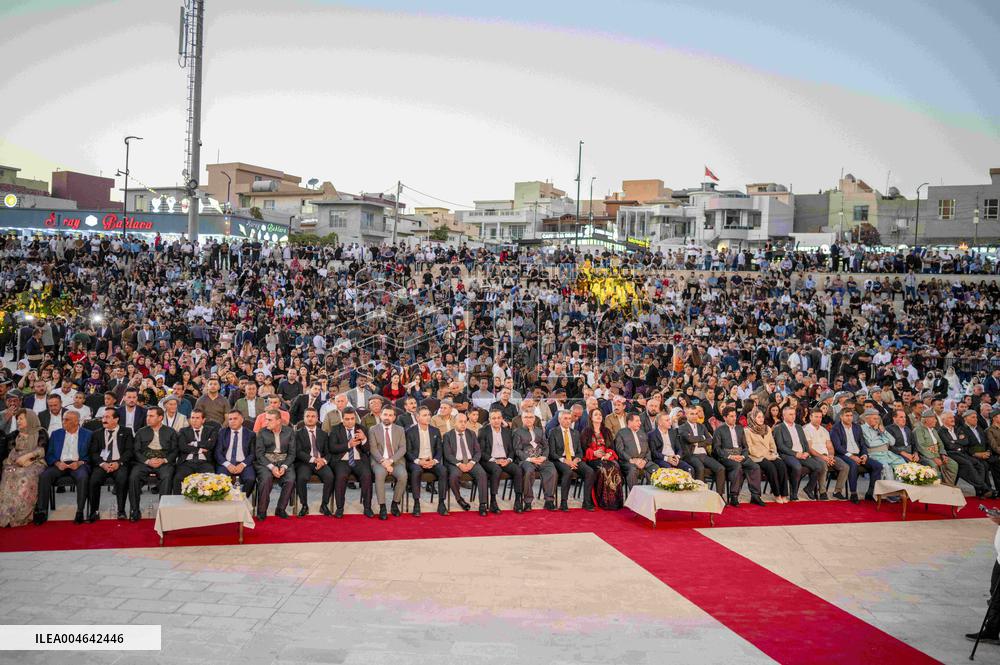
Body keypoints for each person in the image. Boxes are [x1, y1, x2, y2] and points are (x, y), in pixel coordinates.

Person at [35, 410, 92, 525]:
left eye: (66, 420)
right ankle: (42, 511)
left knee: (83, 477)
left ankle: (80, 511)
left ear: (76, 422)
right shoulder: (56, 434)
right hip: (59, 463)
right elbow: (49, 454)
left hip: (78, 464)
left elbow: (92, 455)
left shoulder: (88, 434)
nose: (63, 422)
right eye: (63, 419)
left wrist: (80, 463)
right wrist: (56, 463)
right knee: (44, 476)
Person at [128, 406, 179, 521]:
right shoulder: (141, 432)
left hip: (164, 462)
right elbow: (136, 451)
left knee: (167, 476)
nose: (148, 418)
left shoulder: (171, 432)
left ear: (160, 417)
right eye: (147, 416)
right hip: (145, 462)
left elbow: (175, 451)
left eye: (151, 416)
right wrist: (147, 461)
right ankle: (134, 510)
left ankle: (163, 511)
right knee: (134, 476)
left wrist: (164, 460)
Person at [0, 410, 47, 527]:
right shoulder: (15, 434)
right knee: (8, 473)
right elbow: (11, 451)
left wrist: (27, 458)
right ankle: (6, 514)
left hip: (35, 462)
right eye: (17, 419)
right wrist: (17, 461)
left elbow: (41, 450)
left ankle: (20, 514)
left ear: (30, 419)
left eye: (21, 419)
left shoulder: (40, 432)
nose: (18, 421)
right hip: (16, 462)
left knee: (24, 477)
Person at [712, 407, 765, 506]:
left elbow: (745, 446)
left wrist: (743, 456)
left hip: (740, 455)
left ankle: (755, 495)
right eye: (731, 416)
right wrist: (730, 456)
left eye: (735, 416)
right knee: (737, 467)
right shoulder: (719, 430)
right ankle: (734, 496)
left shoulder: (739, 428)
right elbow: (716, 449)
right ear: (724, 417)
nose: (734, 418)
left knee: (755, 467)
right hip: (727, 457)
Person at [87, 409, 133, 521]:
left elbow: (129, 451)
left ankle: (121, 511)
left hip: (119, 463)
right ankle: (94, 511)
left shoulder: (126, 431)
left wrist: (119, 463)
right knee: (93, 480)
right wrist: (102, 464)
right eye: (103, 417)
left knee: (122, 479)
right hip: (102, 464)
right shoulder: (97, 433)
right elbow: (93, 452)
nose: (104, 420)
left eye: (107, 417)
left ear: (116, 419)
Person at [831, 408, 884, 502]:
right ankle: (853, 493)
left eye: (851, 416)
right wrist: (851, 456)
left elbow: (862, 443)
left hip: (858, 454)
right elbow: (838, 447)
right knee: (853, 464)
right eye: (846, 416)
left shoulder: (857, 427)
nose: (849, 418)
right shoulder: (836, 428)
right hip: (844, 454)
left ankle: (870, 493)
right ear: (841, 417)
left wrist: (864, 455)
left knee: (878, 466)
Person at [773, 405, 826, 501]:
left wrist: (806, 452)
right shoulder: (779, 428)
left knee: (818, 466)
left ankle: (808, 489)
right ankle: (794, 493)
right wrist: (795, 454)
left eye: (794, 414)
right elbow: (780, 446)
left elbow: (805, 442)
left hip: (802, 454)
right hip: (788, 455)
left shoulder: (798, 427)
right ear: (784, 416)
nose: (793, 416)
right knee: (797, 467)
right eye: (790, 414)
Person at [547, 409, 596, 512]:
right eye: (565, 418)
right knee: (568, 472)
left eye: (569, 418)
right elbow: (552, 453)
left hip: (574, 460)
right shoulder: (553, 432)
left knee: (590, 472)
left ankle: (586, 502)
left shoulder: (575, 433)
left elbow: (579, 452)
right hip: (560, 460)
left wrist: (576, 460)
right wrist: (565, 461)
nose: (568, 421)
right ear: (559, 419)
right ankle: (564, 502)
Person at [329, 408, 374, 518]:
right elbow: (332, 448)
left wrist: (364, 440)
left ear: (355, 418)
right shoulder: (335, 429)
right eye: (347, 419)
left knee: (367, 475)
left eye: (352, 419)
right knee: (341, 476)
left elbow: (367, 450)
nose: (350, 421)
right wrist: (348, 445)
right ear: (342, 419)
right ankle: (340, 508)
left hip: (359, 460)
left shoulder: (361, 429)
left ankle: (367, 507)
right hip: (342, 460)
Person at [442, 411, 489, 515]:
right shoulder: (447, 436)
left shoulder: (471, 433)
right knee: (454, 476)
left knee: (482, 474)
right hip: (455, 463)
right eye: (460, 422)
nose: (463, 424)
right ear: (454, 423)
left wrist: (472, 463)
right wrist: (459, 464)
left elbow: (478, 452)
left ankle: (483, 504)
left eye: (465, 421)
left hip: (471, 462)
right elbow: (448, 454)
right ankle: (459, 499)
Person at [404, 406, 448, 516]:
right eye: (425, 415)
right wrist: (419, 461)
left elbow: (439, 449)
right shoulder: (409, 431)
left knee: (443, 471)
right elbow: (408, 452)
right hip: (416, 462)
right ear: (417, 417)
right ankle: (416, 503)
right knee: (416, 471)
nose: (428, 417)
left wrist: (435, 461)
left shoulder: (435, 430)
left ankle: (441, 503)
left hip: (431, 461)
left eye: (429, 415)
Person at [938, 411, 994, 498]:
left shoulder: (957, 429)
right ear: (943, 420)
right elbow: (949, 445)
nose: (953, 419)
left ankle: (981, 490)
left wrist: (955, 442)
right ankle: (985, 488)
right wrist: (958, 442)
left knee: (979, 465)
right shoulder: (941, 431)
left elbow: (965, 441)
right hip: (951, 454)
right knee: (967, 464)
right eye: (950, 418)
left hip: (962, 452)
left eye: (953, 417)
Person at [477, 409, 523, 513]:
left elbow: (511, 450)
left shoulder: (507, 432)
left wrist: (509, 459)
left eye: (498, 418)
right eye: (493, 418)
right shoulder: (483, 431)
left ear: (502, 419)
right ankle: (493, 501)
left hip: (505, 459)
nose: (496, 420)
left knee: (518, 470)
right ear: (489, 420)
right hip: (490, 460)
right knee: (496, 469)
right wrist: (494, 460)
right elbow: (481, 452)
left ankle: (518, 500)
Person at [254, 409, 297, 520]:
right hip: (266, 462)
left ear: (278, 421)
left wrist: (284, 466)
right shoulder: (262, 432)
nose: (266, 422)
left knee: (290, 479)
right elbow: (259, 454)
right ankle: (262, 510)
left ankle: (280, 509)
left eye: (269, 420)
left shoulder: (289, 431)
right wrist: (272, 467)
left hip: (284, 461)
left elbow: (292, 453)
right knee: (266, 478)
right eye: (266, 419)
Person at [368, 404, 407, 520]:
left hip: (396, 461)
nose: (387, 417)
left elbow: (403, 448)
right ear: (380, 415)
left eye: (390, 415)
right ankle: (382, 506)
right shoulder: (373, 429)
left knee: (403, 475)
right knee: (379, 474)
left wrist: (390, 461)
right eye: (385, 414)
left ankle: (395, 504)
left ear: (394, 417)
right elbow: (373, 449)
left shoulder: (400, 430)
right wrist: (384, 462)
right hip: (379, 461)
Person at [512, 408, 556, 511]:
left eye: (531, 417)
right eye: (526, 417)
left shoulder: (539, 431)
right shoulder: (517, 432)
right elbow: (517, 450)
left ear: (534, 418)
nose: (528, 419)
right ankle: (527, 501)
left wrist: (544, 457)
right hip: (526, 460)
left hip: (541, 458)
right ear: (522, 419)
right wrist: (529, 459)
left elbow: (546, 446)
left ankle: (549, 500)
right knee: (529, 471)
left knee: (551, 469)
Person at [293, 407, 334, 516]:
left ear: (317, 418)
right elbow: (298, 452)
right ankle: (304, 505)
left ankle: (324, 505)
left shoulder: (324, 434)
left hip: (321, 462)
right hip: (305, 462)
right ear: (304, 418)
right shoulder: (297, 433)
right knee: (302, 478)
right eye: (307, 416)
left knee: (330, 477)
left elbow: (329, 452)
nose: (310, 419)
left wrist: (323, 461)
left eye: (313, 416)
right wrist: (314, 460)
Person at [744, 408, 789, 503]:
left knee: (781, 465)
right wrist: (765, 455)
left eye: (762, 417)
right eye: (758, 417)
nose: (761, 419)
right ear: (753, 418)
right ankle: (777, 494)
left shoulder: (767, 428)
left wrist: (773, 452)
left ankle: (784, 493)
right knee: (771, 468)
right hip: (757, 457)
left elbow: (772, 444)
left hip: (769, 455)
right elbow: (750, 448)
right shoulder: (747, 431)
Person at [582, 408, 623, 510]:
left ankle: (613, 500)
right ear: (591, 418)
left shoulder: (606, 431)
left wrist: (609, 454)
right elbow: (583, 448)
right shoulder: (586, 431)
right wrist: (594, 452)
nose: (599, 416)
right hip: (592, 459)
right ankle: (603, 500)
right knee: (603, 469)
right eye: (596, 415)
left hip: (606, 457)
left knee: (615, 467)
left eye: (600, 414)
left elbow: (611, 446)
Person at [678, 407, 726, 493]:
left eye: (696, 414)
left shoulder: (702, 426)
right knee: (700, 468)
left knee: (720, 468)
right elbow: (689, 439)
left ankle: (720, 495)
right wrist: (702, 437)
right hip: (691, 455)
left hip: (704, 455)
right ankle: (700, 495)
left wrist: (698, 443)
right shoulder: (682, 427)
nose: (694, 416)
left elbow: (710, 440)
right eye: (692, 414)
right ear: (686, 415)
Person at [803, 409, 848, 500]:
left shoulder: (824, 430)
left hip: (827, 455)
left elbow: (830, 446)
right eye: (816, 417)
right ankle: (822, 492)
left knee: (845, 466)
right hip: (814, 456)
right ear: (810, 417)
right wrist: (823, 457)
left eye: (820, 417)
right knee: (823, 465)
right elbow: (809, 449)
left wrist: (830, 455)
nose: (819, 419)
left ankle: (837, 491)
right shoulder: (806, 429)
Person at [173, 408, 218, 494]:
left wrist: (194, 443)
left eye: (197, 418)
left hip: (205, 462)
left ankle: (207, 504)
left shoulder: (211, 430)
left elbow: (210, 445)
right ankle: (177, 503)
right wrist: (200, 449)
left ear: (203, 420)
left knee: (209, 479)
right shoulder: (183, 431)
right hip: (187, 462)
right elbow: (183, 447)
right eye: (192, 418)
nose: (194, 420)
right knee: (178, 478)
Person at [215, 410, 256, 496]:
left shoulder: (250, 434)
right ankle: (225, 501)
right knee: (220, 480)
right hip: (226, 463)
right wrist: (228, 464)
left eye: (235, 418)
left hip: (244, 463)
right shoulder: (222, 432)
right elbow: (218, 453)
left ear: (242, 420)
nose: (232, 421)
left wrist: (242, 464)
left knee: (250, 479)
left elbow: (252, 454)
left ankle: (242, 500)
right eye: (230, 419)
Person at [614, 412, 659, 489]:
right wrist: (631, 460)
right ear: (629, 422)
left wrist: (644, 461)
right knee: (632, 470)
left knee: (656, 468)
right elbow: (619, 450)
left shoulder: (642, 433)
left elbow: (648, 450)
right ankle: (634, 496)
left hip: (643, 461)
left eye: (640, 421)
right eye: (637, 421)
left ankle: (650, 494)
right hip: (628, 462)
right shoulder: (621, 433)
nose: (640, 423)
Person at [914, 408, 959, 486]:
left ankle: (948, 485)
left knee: (953, 464)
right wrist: (934, 458)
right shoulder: (918, 430)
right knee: (934, 465)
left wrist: (943, 454)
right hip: (925, 456)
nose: (936, 421)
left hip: (937, 454)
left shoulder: (934, 430)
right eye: (933, 419)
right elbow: (921, 446)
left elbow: (940, 444)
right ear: (926, 420)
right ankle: (937, 488)